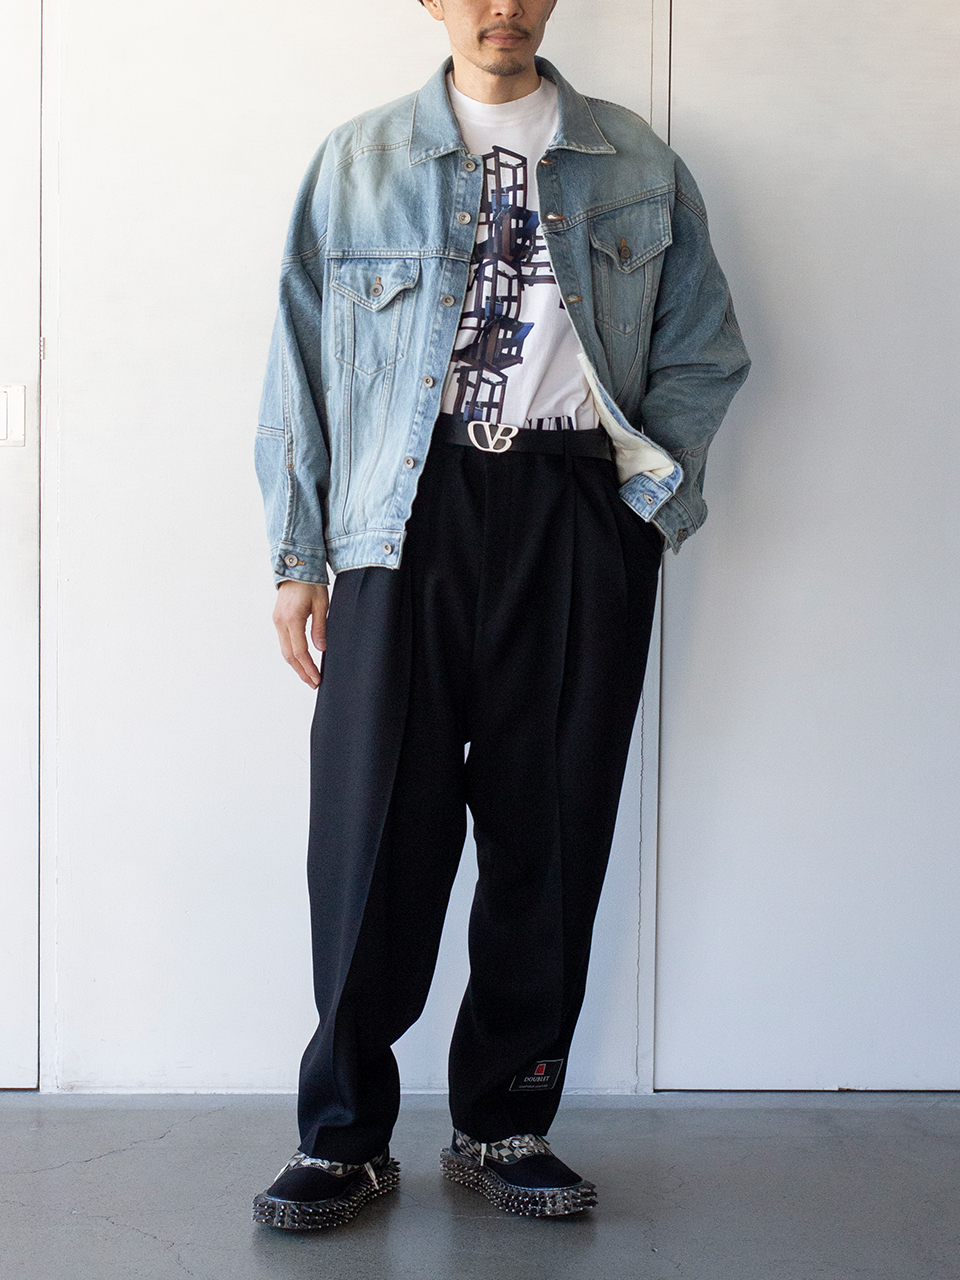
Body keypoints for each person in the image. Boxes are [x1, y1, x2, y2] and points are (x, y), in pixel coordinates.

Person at [252, 0, 749, 1231]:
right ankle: (341, 1135)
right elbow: (300, 363)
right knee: (374, 831)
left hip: (574, 509)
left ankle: (505, 1120)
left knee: (551, 823)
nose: (502, 6)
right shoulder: (360, 161)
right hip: (400, 515)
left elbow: (703, 350)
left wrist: (641, 509)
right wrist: (299, 554)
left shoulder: (636, 162)